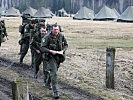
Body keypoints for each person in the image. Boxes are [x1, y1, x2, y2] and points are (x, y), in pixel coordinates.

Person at [41, 24, 68, 99]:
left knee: (53, 72)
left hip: (59, 57)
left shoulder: (61, 36)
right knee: (54, 73)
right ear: (52, 30)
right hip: (50, 57)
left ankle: (47, 82)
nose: (56, 31)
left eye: (57, 29)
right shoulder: (47, 37)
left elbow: (66, 44)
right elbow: (42, 48)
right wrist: (50, 51)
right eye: (55, 30)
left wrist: (63, 50)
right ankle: (55, 92)